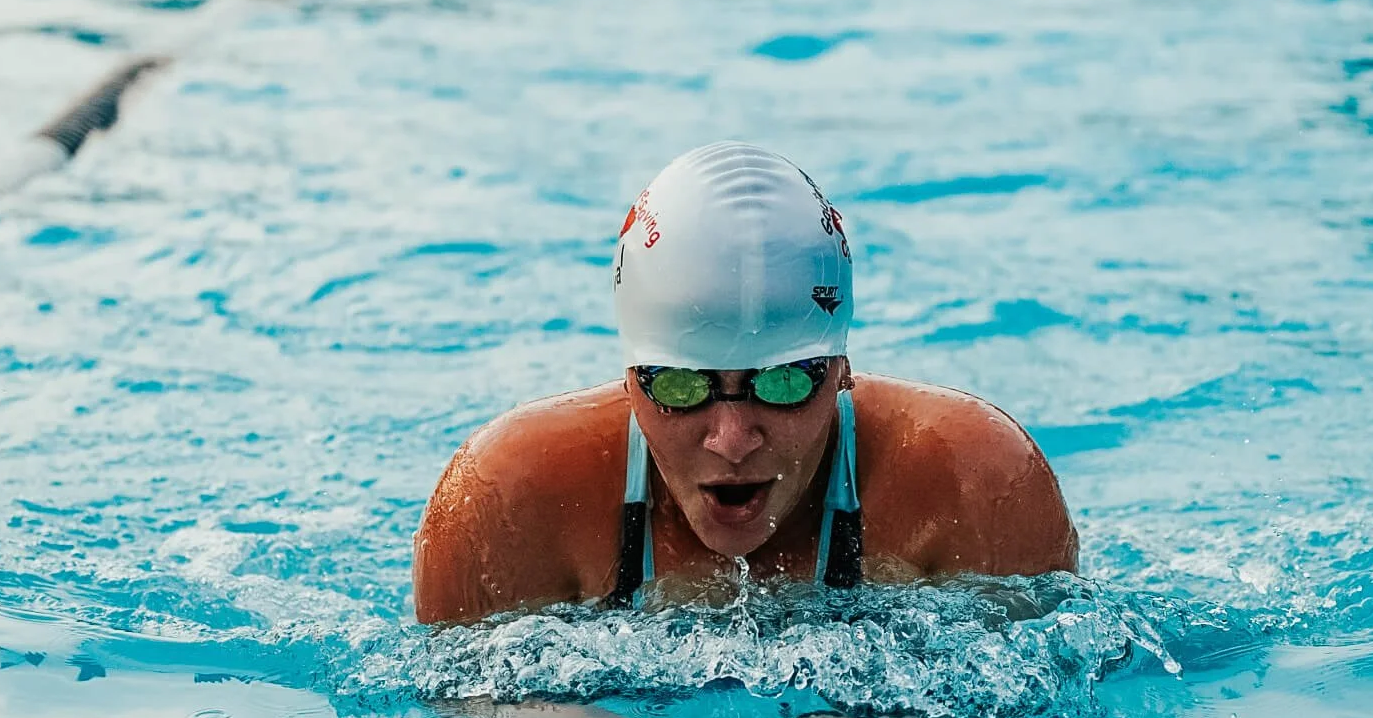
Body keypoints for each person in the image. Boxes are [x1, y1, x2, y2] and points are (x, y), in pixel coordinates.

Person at [414, 141, 1077, 622]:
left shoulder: (976, 480)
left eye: (785, 383)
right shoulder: (509, 496)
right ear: (630, 381)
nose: (731, 439)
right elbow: (461, 704)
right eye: (681, 387)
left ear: (842, 371)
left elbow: (1053, 682)